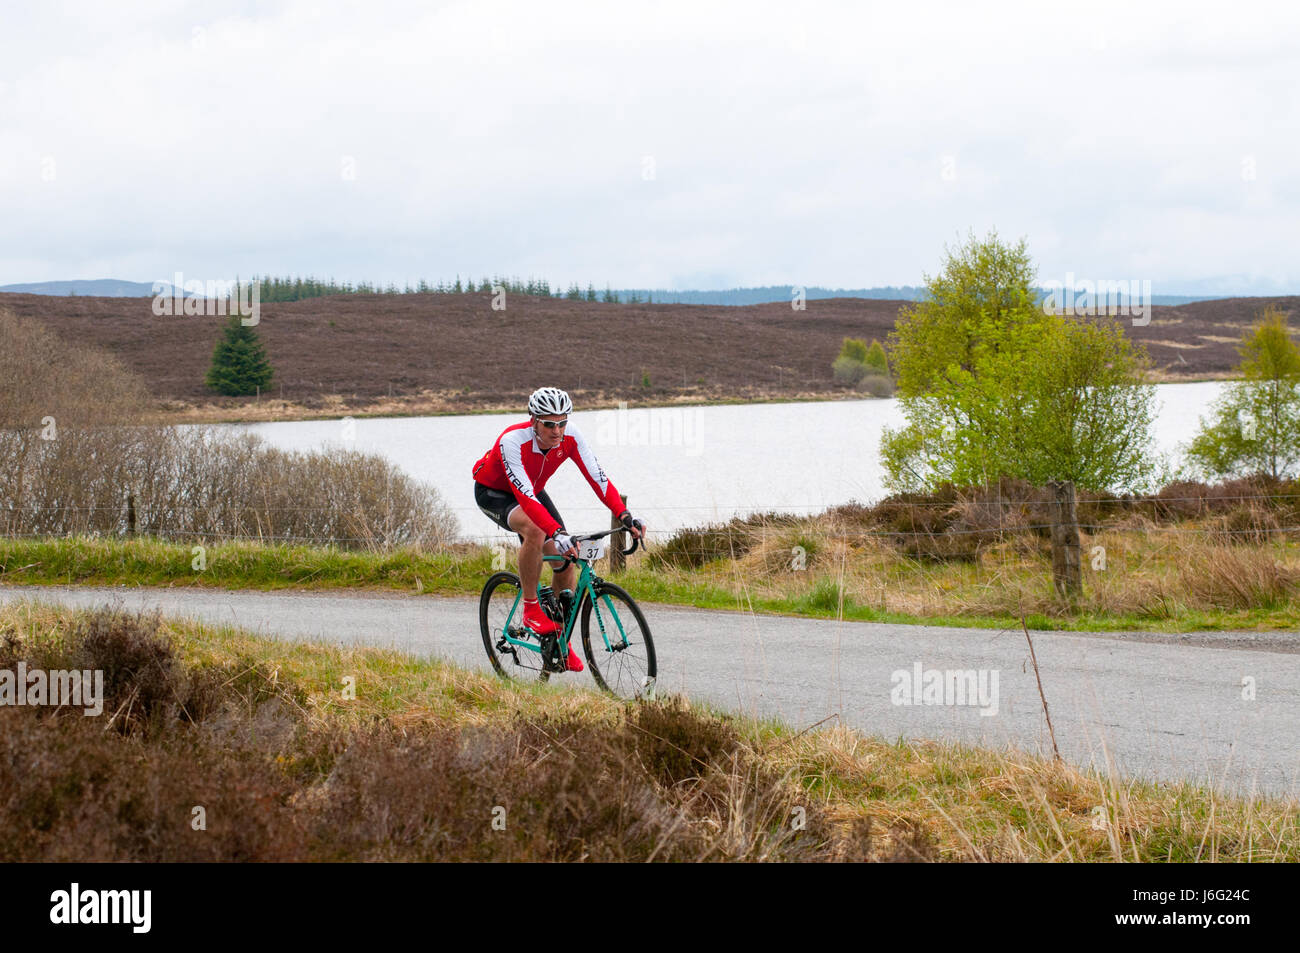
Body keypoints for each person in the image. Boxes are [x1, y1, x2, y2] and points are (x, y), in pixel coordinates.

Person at [472, 386, 645, 672]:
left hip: (532, 491)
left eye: (562, 422)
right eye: (549, 424)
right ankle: (530, 608)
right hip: (496, 493)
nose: (557, 430)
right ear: (534, 421)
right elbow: (525, 497)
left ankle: (558, 644)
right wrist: (556, 532)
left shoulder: (571, 436)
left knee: (566, 562)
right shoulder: (512, 441)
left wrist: (624, 515)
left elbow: (598, 479)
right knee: (537, 531)